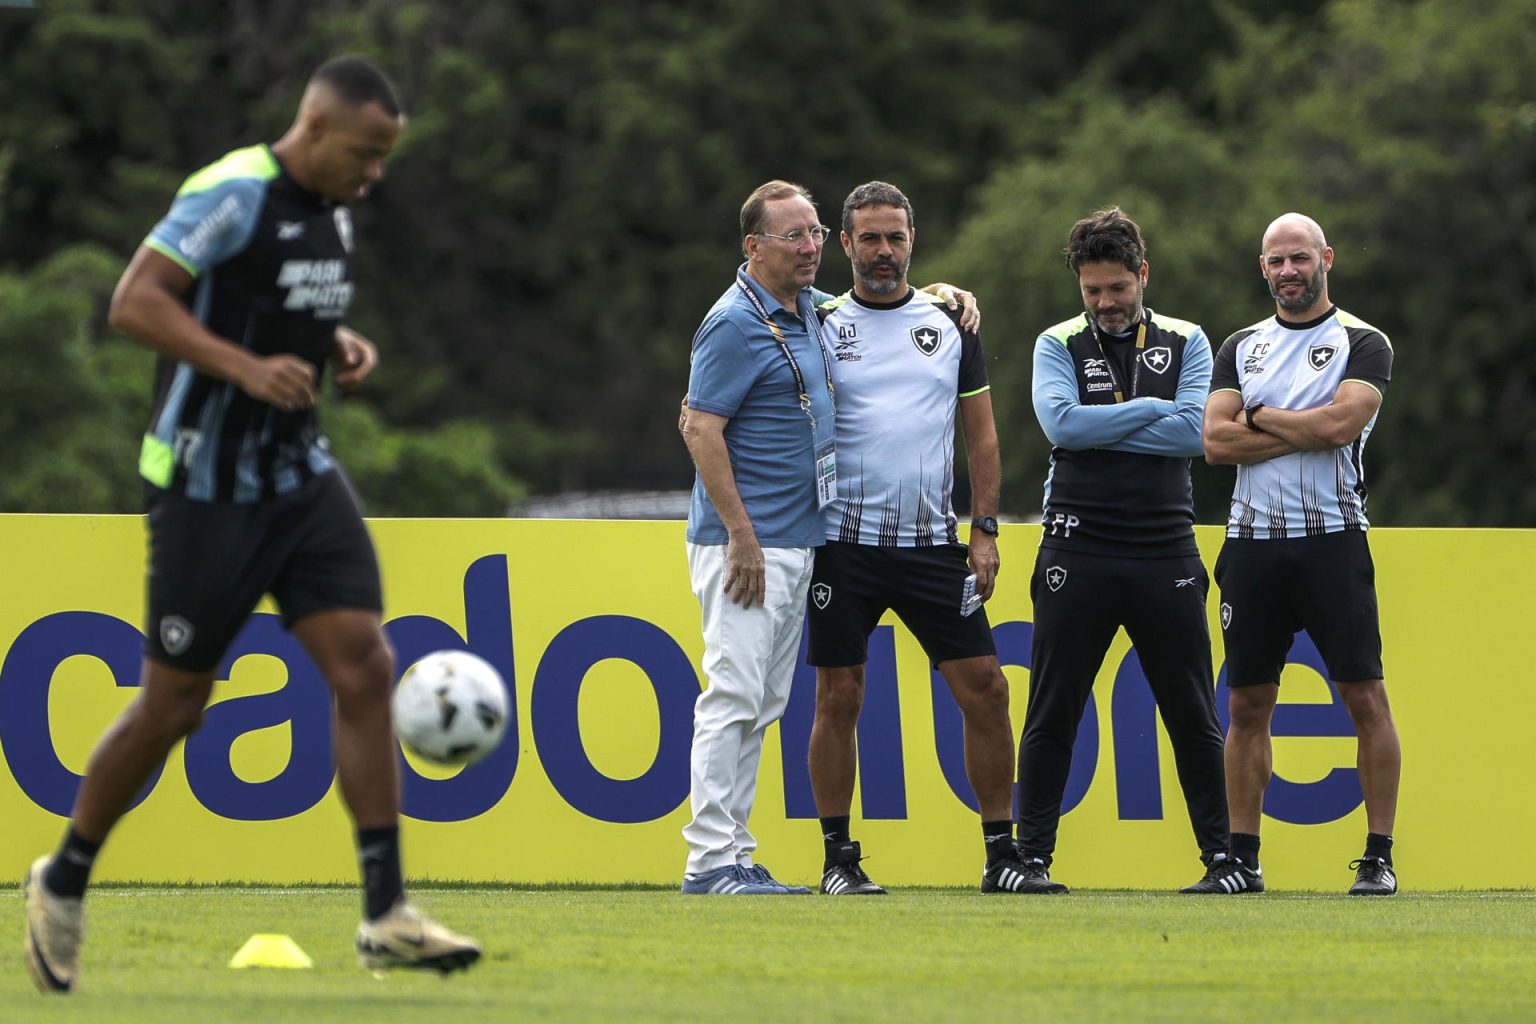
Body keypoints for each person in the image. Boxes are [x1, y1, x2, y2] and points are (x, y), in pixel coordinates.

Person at [22, 57, 481, 995]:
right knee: (174, 707)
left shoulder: (334, 208)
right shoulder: (229, 192)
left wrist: (333, 344)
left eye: (386, 156)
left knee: (366, 667)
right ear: (314, 128)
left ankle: (386, 913)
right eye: (366, 151)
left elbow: (282, 308)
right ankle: (62, 880)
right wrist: (240, 367)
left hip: (299, 477)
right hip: (203, 485)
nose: (375, 172)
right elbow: (135, 301)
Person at [678, 180, 976, 895]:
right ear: (754, 248)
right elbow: (697, 425)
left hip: (795, 539)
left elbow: (880, 306)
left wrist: (943, 291)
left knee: (762, 703)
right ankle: (709, 861)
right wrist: (741, 535)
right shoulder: (733, 322)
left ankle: (736, 852)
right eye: (794, 236)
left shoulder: (802, 308)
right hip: (746, 544)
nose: (812, 247)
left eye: (815, 233)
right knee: (732, 695)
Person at [1014, 207, 1244, 895]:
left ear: (1142, 275)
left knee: (1192, 712)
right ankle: (1030, 861)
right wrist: (1152, 410)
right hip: (1075, 546)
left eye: (1117, 288)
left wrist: (1099, 428)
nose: (1106, 304)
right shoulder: (1056, 342)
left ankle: (1222, 861)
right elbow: (1059, 423)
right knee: (1054, 709)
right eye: (1093, 292)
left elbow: (1194, 435)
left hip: (1164, 548)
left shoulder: (1188, 339)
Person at [806, 181, 1025, 896]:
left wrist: (984, 529)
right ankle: (840, 861)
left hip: (933, 543)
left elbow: (982, 434)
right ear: (844, 244)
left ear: (913, 241)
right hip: (842, 542)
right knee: (839, 699)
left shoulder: (951, 321)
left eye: (894, 238)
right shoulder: (818, 322)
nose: (882, 252)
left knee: (987, 691)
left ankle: (1002, 857)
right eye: (868, 238)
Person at [1202, 212, 1401, 896]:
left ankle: (1378, 856)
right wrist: (1304, 429)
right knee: (1247, 705)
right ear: (1262, 268)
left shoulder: (1363, 341)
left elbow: (1344, 424)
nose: (1289, 271)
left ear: (1326, 259)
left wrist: (1258, 416)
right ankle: (1242, 860)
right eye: (1277, 261)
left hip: (1332, 542)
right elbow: (1215, 443)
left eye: (1300, 258)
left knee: (1363, 696)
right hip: (1253, 547)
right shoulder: (1240, 346)